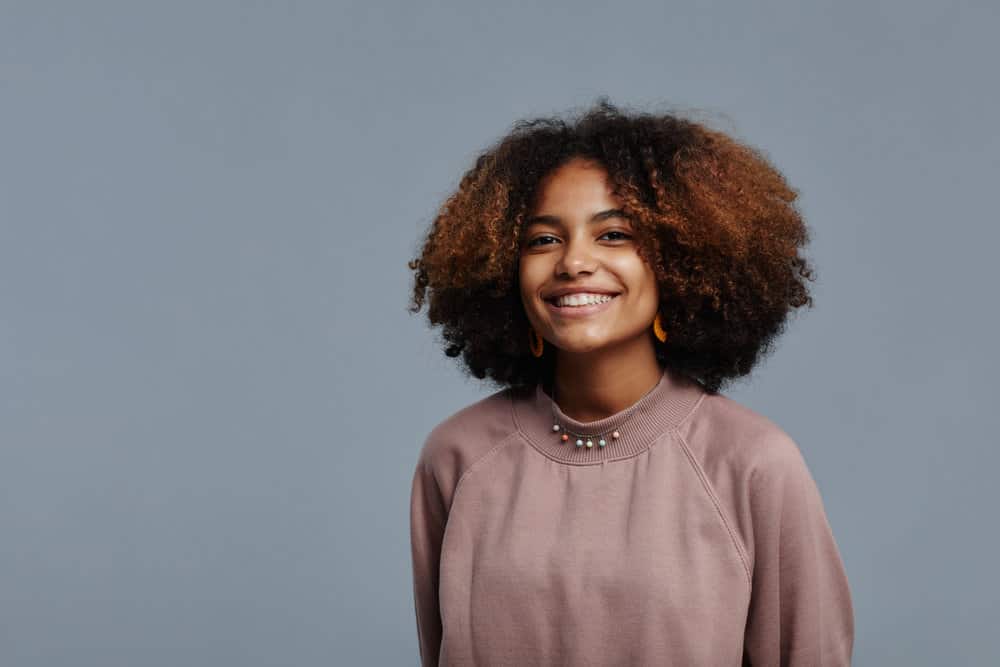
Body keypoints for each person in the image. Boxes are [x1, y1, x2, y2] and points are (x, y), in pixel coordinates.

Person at [406, 98, 854, 666]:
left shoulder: (754, 464)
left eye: (614, 234)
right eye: (543, 240)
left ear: (680, 259)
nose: (573, 262)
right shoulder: (456, 458)